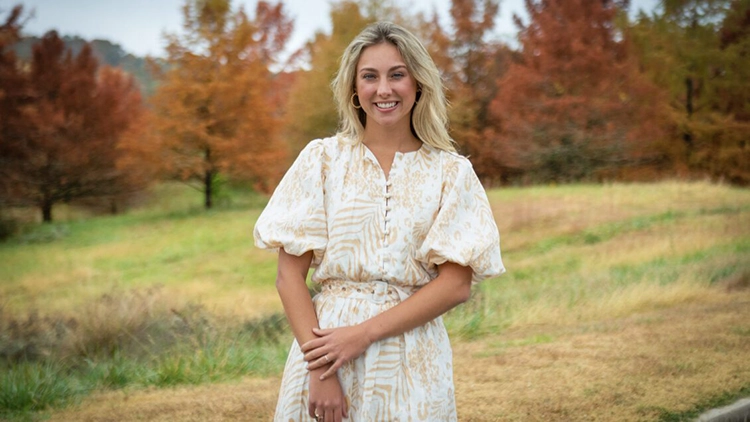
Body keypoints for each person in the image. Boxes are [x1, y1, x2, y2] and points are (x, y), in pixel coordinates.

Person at [253, 21, 504, 422]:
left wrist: (363, 334)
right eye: (369, 77)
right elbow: (288, 278)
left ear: (418, 84)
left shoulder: (451, 174)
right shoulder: (322, 161)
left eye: (397, 75)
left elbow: (456, 285)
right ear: (354, 89)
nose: (383, 89)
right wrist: (320, 369)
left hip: (412, 355)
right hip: (325, 350)